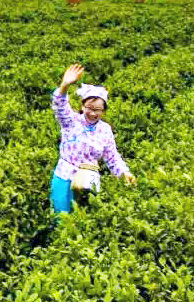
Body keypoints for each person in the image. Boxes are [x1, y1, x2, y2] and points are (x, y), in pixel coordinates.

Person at [50, 63, 136, 214]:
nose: (93, 113)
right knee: (61, 217)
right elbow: (59, 105)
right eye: (90, 108)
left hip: (88, 182)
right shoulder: (71, 121)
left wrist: (125, 173)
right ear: (83, 106)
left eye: (98, 110)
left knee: (84, 220)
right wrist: (64, 85)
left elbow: (112, 157)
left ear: (103, 111)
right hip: (64, 177)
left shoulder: (105, 129)